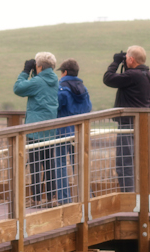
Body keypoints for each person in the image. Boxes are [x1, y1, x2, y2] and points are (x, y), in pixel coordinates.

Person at [103, 45, 150, 192]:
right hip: (141, 123)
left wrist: (115, 63)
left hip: (128, 124)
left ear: (131, 59)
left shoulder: (133, 75)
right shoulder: (147, 74)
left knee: (124, 163)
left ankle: (129, 197)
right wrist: (124, 64)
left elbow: (108, 78)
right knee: (137, 161)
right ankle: (138, 195)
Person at [14, 52, 59, 207]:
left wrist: (25, 72)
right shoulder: (55, 80)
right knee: (49, 163)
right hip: (50, 127)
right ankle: (51, 198)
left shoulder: (38, 81)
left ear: (39, 66)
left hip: (35, 128)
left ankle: (36, 199)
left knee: (35, 164)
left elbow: (18, 88)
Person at [55, 59, 92, 204]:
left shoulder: (62, 88)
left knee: (61, 164)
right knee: (80, 164)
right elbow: (88, 108)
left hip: (63, 131)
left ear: (64, 72)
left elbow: (56, 106)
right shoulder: (83, 88)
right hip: (80, 131)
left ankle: (65, 199)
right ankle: (85, 197)